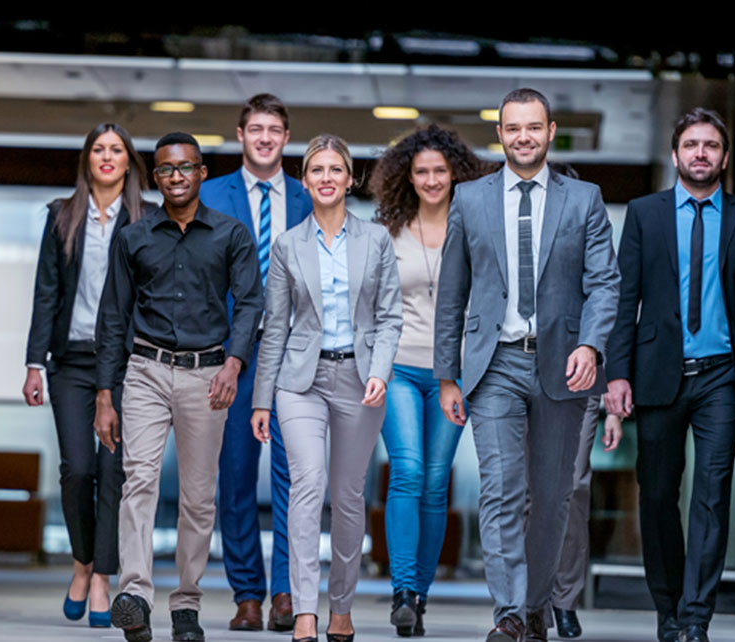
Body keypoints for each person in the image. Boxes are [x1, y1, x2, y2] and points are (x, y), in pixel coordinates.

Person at [433, 88, 621, 642]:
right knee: (501, 490)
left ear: (550, 130)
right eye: (512, 128)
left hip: (564, 368)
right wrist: (449, 374)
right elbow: (452, 292)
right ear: (499, 134)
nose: (523, 137)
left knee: (553, 496)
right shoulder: (470, 199)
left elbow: (604, 283)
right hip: (494, 368)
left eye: (533, 128)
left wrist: (591, 346)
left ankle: (537, 603)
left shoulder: (584, 199)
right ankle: (510, 613)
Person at [604, 108, 735, 642]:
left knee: (712, 493)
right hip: (657, 374)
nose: (700, 153)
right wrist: (617, 375)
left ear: (725, 158)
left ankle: (697, 616)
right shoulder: (644, 214)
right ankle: (669, 609)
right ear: (676, 155)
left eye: (710, 145)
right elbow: (623, 299)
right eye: (691, 145)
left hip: (722, 379)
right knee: (657, 494)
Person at [94, 132, 264, 642]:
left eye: (185, 168)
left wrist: (234, 365)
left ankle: (186, 603)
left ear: (202, 172)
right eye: (166, 170)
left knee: (197, 498)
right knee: (138, 481)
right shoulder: (134, 237)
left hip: (207, 375)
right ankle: (136, 595)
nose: (176, 177)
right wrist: (106, 394)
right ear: (155, 177)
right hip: (145, 368)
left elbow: (252, 304)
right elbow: (112, 317)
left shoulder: (231, 235)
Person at [251, 134, 403, 642]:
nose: (326, 178)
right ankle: (305, 611)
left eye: (336, 169)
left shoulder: (376, 239)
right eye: (317, 170)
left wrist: (380, 370)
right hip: (301, 381)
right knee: (307, 485)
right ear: (305, 178)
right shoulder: (288, 244)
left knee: (348, 495)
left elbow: (389, 318)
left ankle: (342, 606)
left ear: (350, 177)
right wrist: (260, 399)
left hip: (360, 380)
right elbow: (275, 328)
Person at [22, 122, 150, 628]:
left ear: (128, 161)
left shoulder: (147, 219)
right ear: (87, 158)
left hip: (123, 364)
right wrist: (34, 362)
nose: (106, 156)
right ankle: (82, 560)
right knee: (78, 468)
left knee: (114, 472)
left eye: (116, 149)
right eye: (99, 148)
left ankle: (102, 577)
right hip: (70, 361)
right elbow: (45, 292)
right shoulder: (62, 215)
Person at [368, 124, 492, 636]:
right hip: (398, 367)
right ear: (407, 177)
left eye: (440, 170)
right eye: (422, 171)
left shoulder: (476, 227)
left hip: (454, 376)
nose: (432, 179)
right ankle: (400, 589)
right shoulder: (388, 230)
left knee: (437, 483)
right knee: (410, 471)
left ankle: (418, 596)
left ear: (457, 174)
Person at [200, 93, 313, 632]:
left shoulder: (310, 194)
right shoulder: (209, 194)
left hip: (295, 355)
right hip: (232, 357)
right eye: (256, 129)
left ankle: (287, 592)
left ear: (285, 138)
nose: (265, 137)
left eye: (274, 129)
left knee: (296, 477)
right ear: (240, 135)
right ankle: (247, 593)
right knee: (236, 475)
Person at [541, 163, 625, 641]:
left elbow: (606, 307)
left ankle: (564, 599)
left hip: (580, 377)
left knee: (570, 488)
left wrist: (612, 400)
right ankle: (525, 598)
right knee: (527, 492)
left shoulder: (589, 230)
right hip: (520, 374)